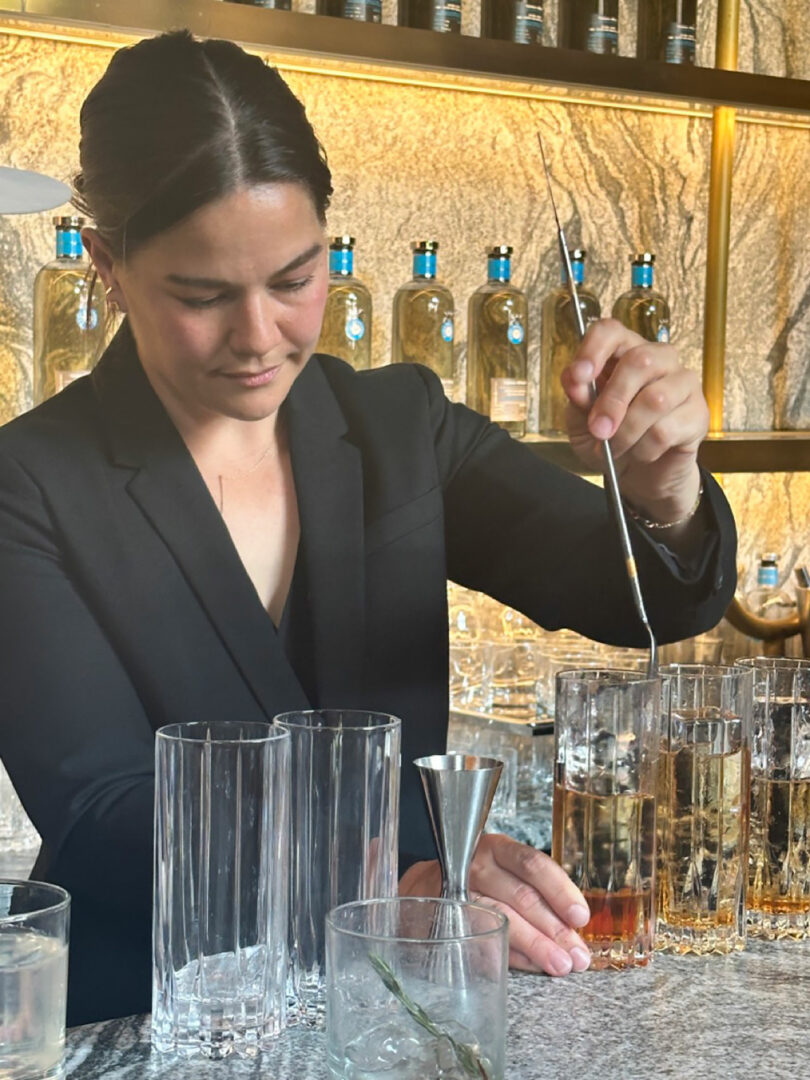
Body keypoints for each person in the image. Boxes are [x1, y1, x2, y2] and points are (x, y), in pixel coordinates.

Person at [0, 30, 735, 1026]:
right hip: (156, 1020)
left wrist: (667, 484)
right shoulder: (30, 483)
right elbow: (102, 809)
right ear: (109, 264)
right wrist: (386, 887)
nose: (260, 339)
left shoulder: (400, 427)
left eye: (295, 280)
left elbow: (636, 598)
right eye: (203, 295)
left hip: (397, 1010)